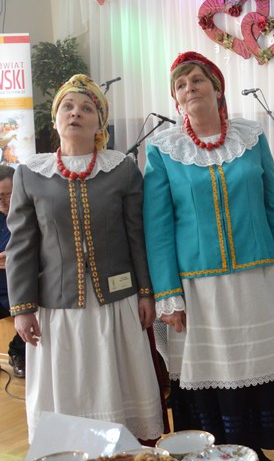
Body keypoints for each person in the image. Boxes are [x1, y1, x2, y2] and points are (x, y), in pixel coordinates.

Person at [143, 52, 274, 461]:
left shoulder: (251, 136)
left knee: (254, 364)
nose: (189, 88)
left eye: (196, 80)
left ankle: (254, 451)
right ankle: (212, 455)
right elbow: (157, 227)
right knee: (210, 370)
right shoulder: (164, 149)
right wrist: (168, 293)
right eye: (180, 85)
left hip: (255, 277)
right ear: (176, 99)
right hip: (197, 286)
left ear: (216, 89)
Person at [7, 75, 163, 442]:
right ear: (55, 118)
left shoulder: (121, 169)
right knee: (70, 389)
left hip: (116, 305)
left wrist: (146, 292)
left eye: (87, 108)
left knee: (118, 384)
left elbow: (137, 236)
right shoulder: (31, 174)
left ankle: (126, 456)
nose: (75, 113)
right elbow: (21, 245)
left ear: (99, 123)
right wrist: (22, 308)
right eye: (68, 106)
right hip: (58, 309)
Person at [0, 166, 24, 379]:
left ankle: (17, 353)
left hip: (23, 284)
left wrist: (17, 258)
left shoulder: (29, 213)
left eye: (7, 195)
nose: (3, 202)